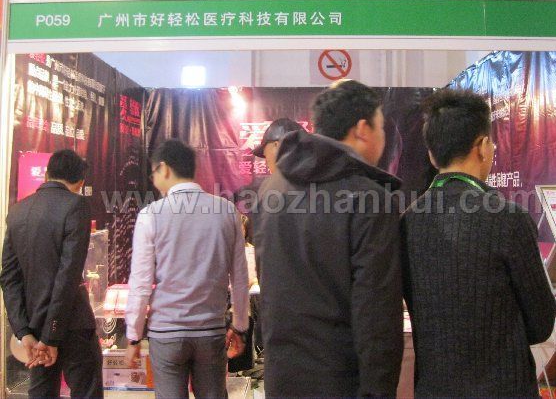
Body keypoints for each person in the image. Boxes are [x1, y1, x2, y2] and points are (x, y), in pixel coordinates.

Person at [400, 89, 556, 397]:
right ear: (483, 147)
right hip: (504, 389)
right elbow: (541, 323)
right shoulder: (509, 219)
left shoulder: (407, 223)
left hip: (435, 390)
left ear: (432, 154)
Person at [254, 80, 404, 397]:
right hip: (342, 382)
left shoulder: (271, 190)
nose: (383, 138)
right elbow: (376, 315)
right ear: (362, 129)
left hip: (282, 378)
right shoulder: (370, 198)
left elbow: (269, 286)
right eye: (381, 128)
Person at [124, 139, 249, 399]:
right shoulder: (226, 211)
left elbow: (141, 283)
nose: (153, 179)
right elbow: (239, 277)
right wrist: (239, 326)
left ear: (164, 168)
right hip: (211, 330)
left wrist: (133, 336)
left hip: (166, 333)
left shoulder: (151, 215)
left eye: (154, 172)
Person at [0, 149, 103, 398]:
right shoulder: (76, 205)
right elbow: (67, 276)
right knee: (86, 391)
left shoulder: (17, 211)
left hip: (34, 326)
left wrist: (24, 332)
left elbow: (9, 277)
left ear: (46, 174)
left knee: (41, 392)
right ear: (80, 182)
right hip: (71, 323)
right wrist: (52, 337)